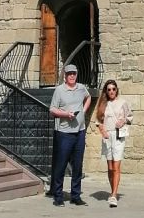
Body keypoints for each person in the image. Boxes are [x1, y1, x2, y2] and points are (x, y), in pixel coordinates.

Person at [49, 62, 91, 206]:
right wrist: (66, 114)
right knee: (61, 165)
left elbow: (88, 97)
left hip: (80, 132)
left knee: (78, 165)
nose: (72, 76)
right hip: (64, 133)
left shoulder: (81, 88)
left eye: (74, 73)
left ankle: (76, 196)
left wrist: (83, 111)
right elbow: (52, 110)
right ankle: (58, 196)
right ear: (65, 76)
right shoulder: (59, 90)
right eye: (69, 74)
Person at [95, 78, 132, 207]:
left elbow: (130, 116)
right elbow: (98, 121)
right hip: (107, 136)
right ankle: (112, 191)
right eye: (109, 89)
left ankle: (114, 195)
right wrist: (102, 131)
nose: (111, 91)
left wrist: (123, 121)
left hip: (118, 135)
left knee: (116, 166)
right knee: (110, 168)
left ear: (117, 90)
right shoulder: (103, 104)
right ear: (106, 91)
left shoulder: (122, 102)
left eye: (113, 89)